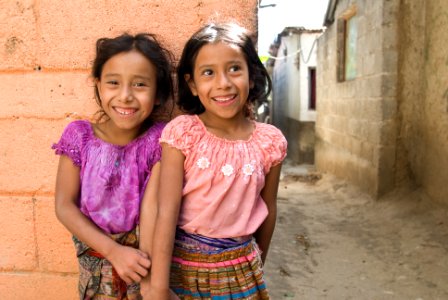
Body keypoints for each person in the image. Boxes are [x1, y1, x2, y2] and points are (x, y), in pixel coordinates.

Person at [144, 22, 287, 299]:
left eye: (234, 68)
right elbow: (166, 211)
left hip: (241, 270)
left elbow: (268, 208)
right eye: (208, 73)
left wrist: (257, 266)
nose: (223, 83)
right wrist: (159, 287)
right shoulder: (184, 133)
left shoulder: (270, 142)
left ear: (252, 76)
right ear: (193, 84)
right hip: (182, 269)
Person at [52, 32, 174, 299]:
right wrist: (113, 251)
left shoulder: (161, 140)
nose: (125, 96)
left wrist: (151, 283)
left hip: (143, 272)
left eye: (140, 84)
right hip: (95, 277)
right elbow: (63, 205)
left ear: (158, 94)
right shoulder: (79, 137)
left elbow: (157, 209)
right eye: (113, 83)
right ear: (98, 85)